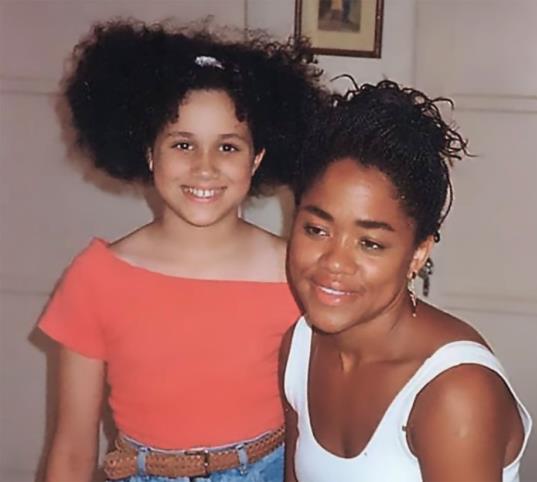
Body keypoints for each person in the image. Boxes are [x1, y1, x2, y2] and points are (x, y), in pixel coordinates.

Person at [39, 20, 326, 482]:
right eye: (183, 144)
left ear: (256, 159)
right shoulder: (97, 277)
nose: (204, 167)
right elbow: (71, 448)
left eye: (227, 147)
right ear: (150, 153)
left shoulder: (295, 270)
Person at [281, 81, 532, 482]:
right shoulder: (300, 346)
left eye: (371, 243)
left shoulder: (455, 391)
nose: (335, 263)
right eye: (316, 230)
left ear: (417, 253)